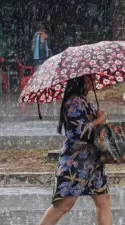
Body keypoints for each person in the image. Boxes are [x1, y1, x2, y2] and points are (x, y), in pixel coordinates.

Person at [39, 75, 112, 225]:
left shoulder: (84, 100)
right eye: (93, 77)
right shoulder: (74, 101)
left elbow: (93, 130)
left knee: (103, 200)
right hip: (76, 161)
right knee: (64, 204)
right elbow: (80, 133)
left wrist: (99, 120)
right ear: (85, 79)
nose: (96, 80)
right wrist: (99, 120)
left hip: (92, 161)